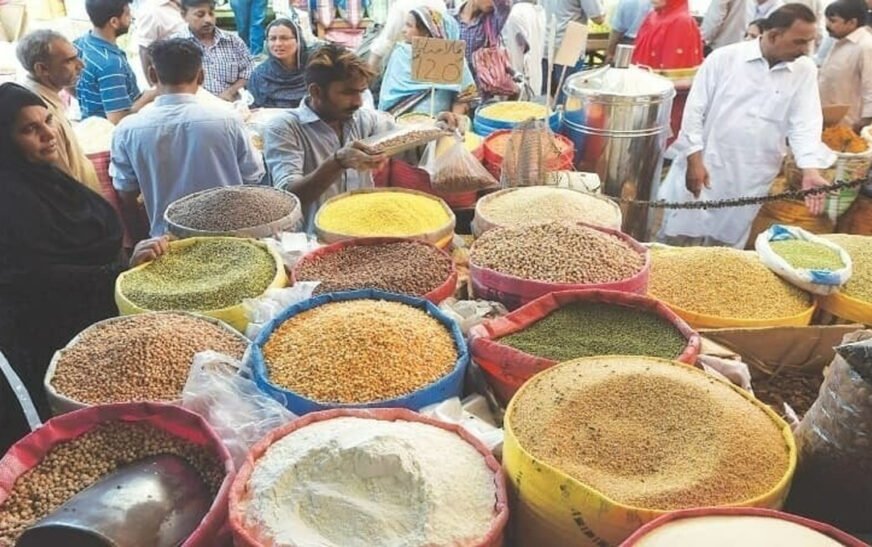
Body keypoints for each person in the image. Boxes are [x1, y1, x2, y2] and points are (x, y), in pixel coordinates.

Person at [0, 83, 166, 453]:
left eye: (48, 120)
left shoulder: (50, 180)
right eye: (30, 130)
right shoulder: (10, 201)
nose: (48, 134)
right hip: (54, 341)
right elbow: (33, 279)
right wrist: (117, 273)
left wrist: (126, 263)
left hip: (99, 323)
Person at [658, 4, 836, 249]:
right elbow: (694, 112)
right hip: (707, 163)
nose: (806, 50)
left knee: (727, 245)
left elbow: (805, 123)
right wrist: (693, 159)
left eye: (810, 41)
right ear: (773, 35)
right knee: (678, 236)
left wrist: (810, 169)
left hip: (752, 174)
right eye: (799, 42)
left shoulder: (804, 70)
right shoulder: (724, 58)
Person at [264, 44, 457, 231]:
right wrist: (337, 162)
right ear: (316, 91)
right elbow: (288, 197)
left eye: (361, 92)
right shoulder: (284, 128)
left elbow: (408, 144)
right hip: (312, 238)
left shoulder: (365, 119)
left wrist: (437, 128)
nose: (357, 102)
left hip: (362, 228)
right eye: (347, 93)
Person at [112, 38, 264, 239]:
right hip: (230, 238)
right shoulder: (228, 120)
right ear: (201, 76)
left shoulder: (128, 129)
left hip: (166, 242)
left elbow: (125, 192)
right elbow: (253, 175)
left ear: (151, 74)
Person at [16, 29, 101, 193]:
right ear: (42, 69)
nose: (81, 65)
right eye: (69, 61)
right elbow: (63, 184)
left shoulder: (48, 98)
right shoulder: (43, 113)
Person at [379, 7, 478, 116]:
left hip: (442, 123)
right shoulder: (400, 54)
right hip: (400, 122)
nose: (403, 30)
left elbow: (464, 98)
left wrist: (453, 119)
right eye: (405, 24)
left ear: (426, 32)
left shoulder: (451, 57)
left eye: (409, 25)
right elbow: (389, 95)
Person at [632, 0, 703, 143]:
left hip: (664, 103)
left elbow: (681, 79)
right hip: (641, 96)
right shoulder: (653, 15)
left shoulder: (682, 22)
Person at [74, 0, 157, 123]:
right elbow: (118, 120)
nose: (131, 18)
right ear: (114, 22)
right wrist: (147, 97)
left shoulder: (81, 43)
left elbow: (69, 84)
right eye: (127, 14)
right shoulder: (110, 64)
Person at [174, 0, 252, 100]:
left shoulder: (233, 41)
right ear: (183, 15)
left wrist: (231, 92)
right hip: (192, 109)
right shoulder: (175, 46)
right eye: (200, 15)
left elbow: (249, 72)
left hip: (231, 107)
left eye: (211, 13)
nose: (208, 19)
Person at [819, 0, 872, 131]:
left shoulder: (866, 46)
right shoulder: (838, 40)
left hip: (851, 125)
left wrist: (865, 121)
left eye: (833, 21)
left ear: (852, 23)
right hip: (827, 122)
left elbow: (870, 87)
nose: (827, 25)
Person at [367, 0, 448, 73]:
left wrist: (369, 71)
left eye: (408, 25)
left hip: (406, 60)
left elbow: (386, 41)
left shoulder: (401, 5)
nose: (404, 30)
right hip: (435, 57)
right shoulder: (440, 4)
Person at [248, 18, 309, 108]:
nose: (278, 44)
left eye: (284, 38)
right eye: (272, 39)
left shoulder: (314, 69)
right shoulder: (259, 76)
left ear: (298, 40)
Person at [133, 0, 186, 84]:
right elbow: (144, 50)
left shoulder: (189, 3)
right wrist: (153, 87)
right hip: (175, 82)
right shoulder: (151, 10)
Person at [455, 0, 512, 72]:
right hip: (454, 80)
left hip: (483, 81)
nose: (493, 3)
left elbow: (505, 7)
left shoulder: (492, 21)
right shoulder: (450, 19)